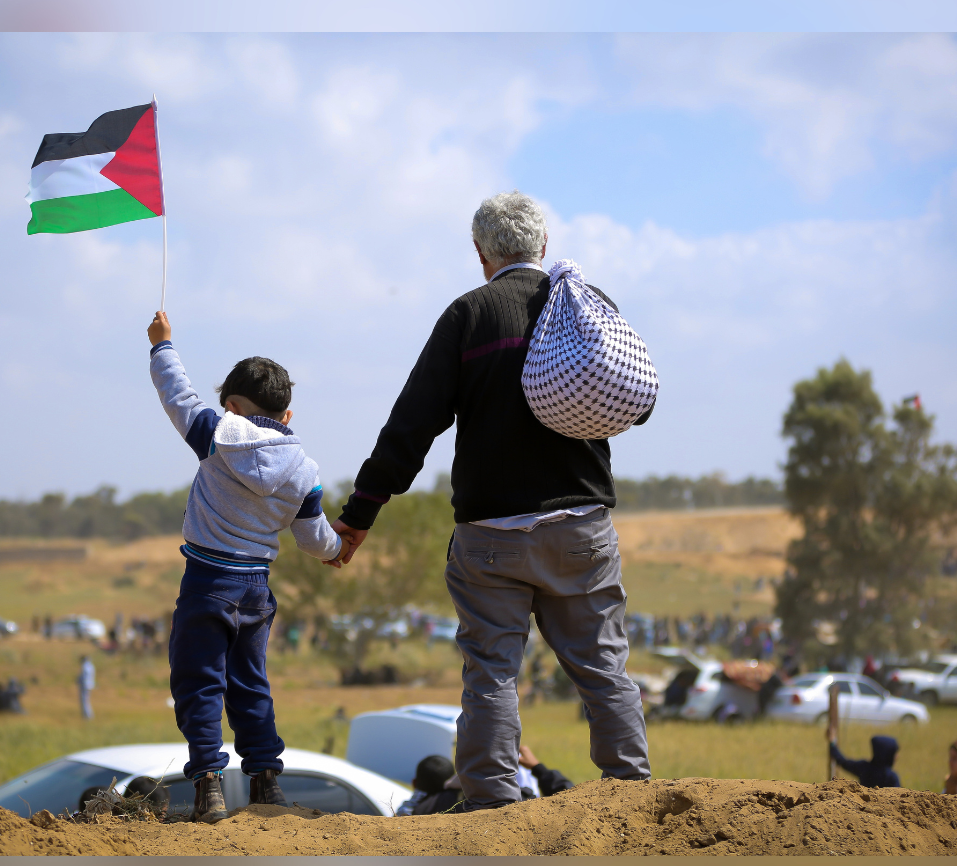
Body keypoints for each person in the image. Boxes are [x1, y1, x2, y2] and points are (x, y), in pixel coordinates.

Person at [329, 191, 652, 812]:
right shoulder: (588, 306)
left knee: (492, 672)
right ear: (544, 247)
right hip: (581, 529)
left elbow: (411, 426)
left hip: (492, 539)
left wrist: (360, 513)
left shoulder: (468, 316)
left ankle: (490, 809)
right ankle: (632, 796)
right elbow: (637, 398)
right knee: (604, 666)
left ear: (481, 253)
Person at [147, 311, 347, 824]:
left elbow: (177, 396)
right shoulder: (304, 471)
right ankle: (265, 783)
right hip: (256, 591)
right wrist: (336, 551)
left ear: (233, 406)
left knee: (199, 684)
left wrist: (162, 346)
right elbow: (313, 537)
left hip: (207, 584)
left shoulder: (217, 435)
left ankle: (209, 786)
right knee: (250, 684)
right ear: (287, 415)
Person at [826, 732, 901, 788]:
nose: (897, 756)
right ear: (887, 754)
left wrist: (832, 743)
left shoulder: (864, 767)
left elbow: (842, 761)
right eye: (894, 753)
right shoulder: (891, 777)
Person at [77, 655, 95, 720]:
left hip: (84, 685)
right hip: (90, 685)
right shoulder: (91, 666)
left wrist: (78, 680)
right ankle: (89, 716)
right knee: (87, 701)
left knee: (84, 701)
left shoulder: (85, 666)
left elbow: (83, 677)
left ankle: (87, 716)